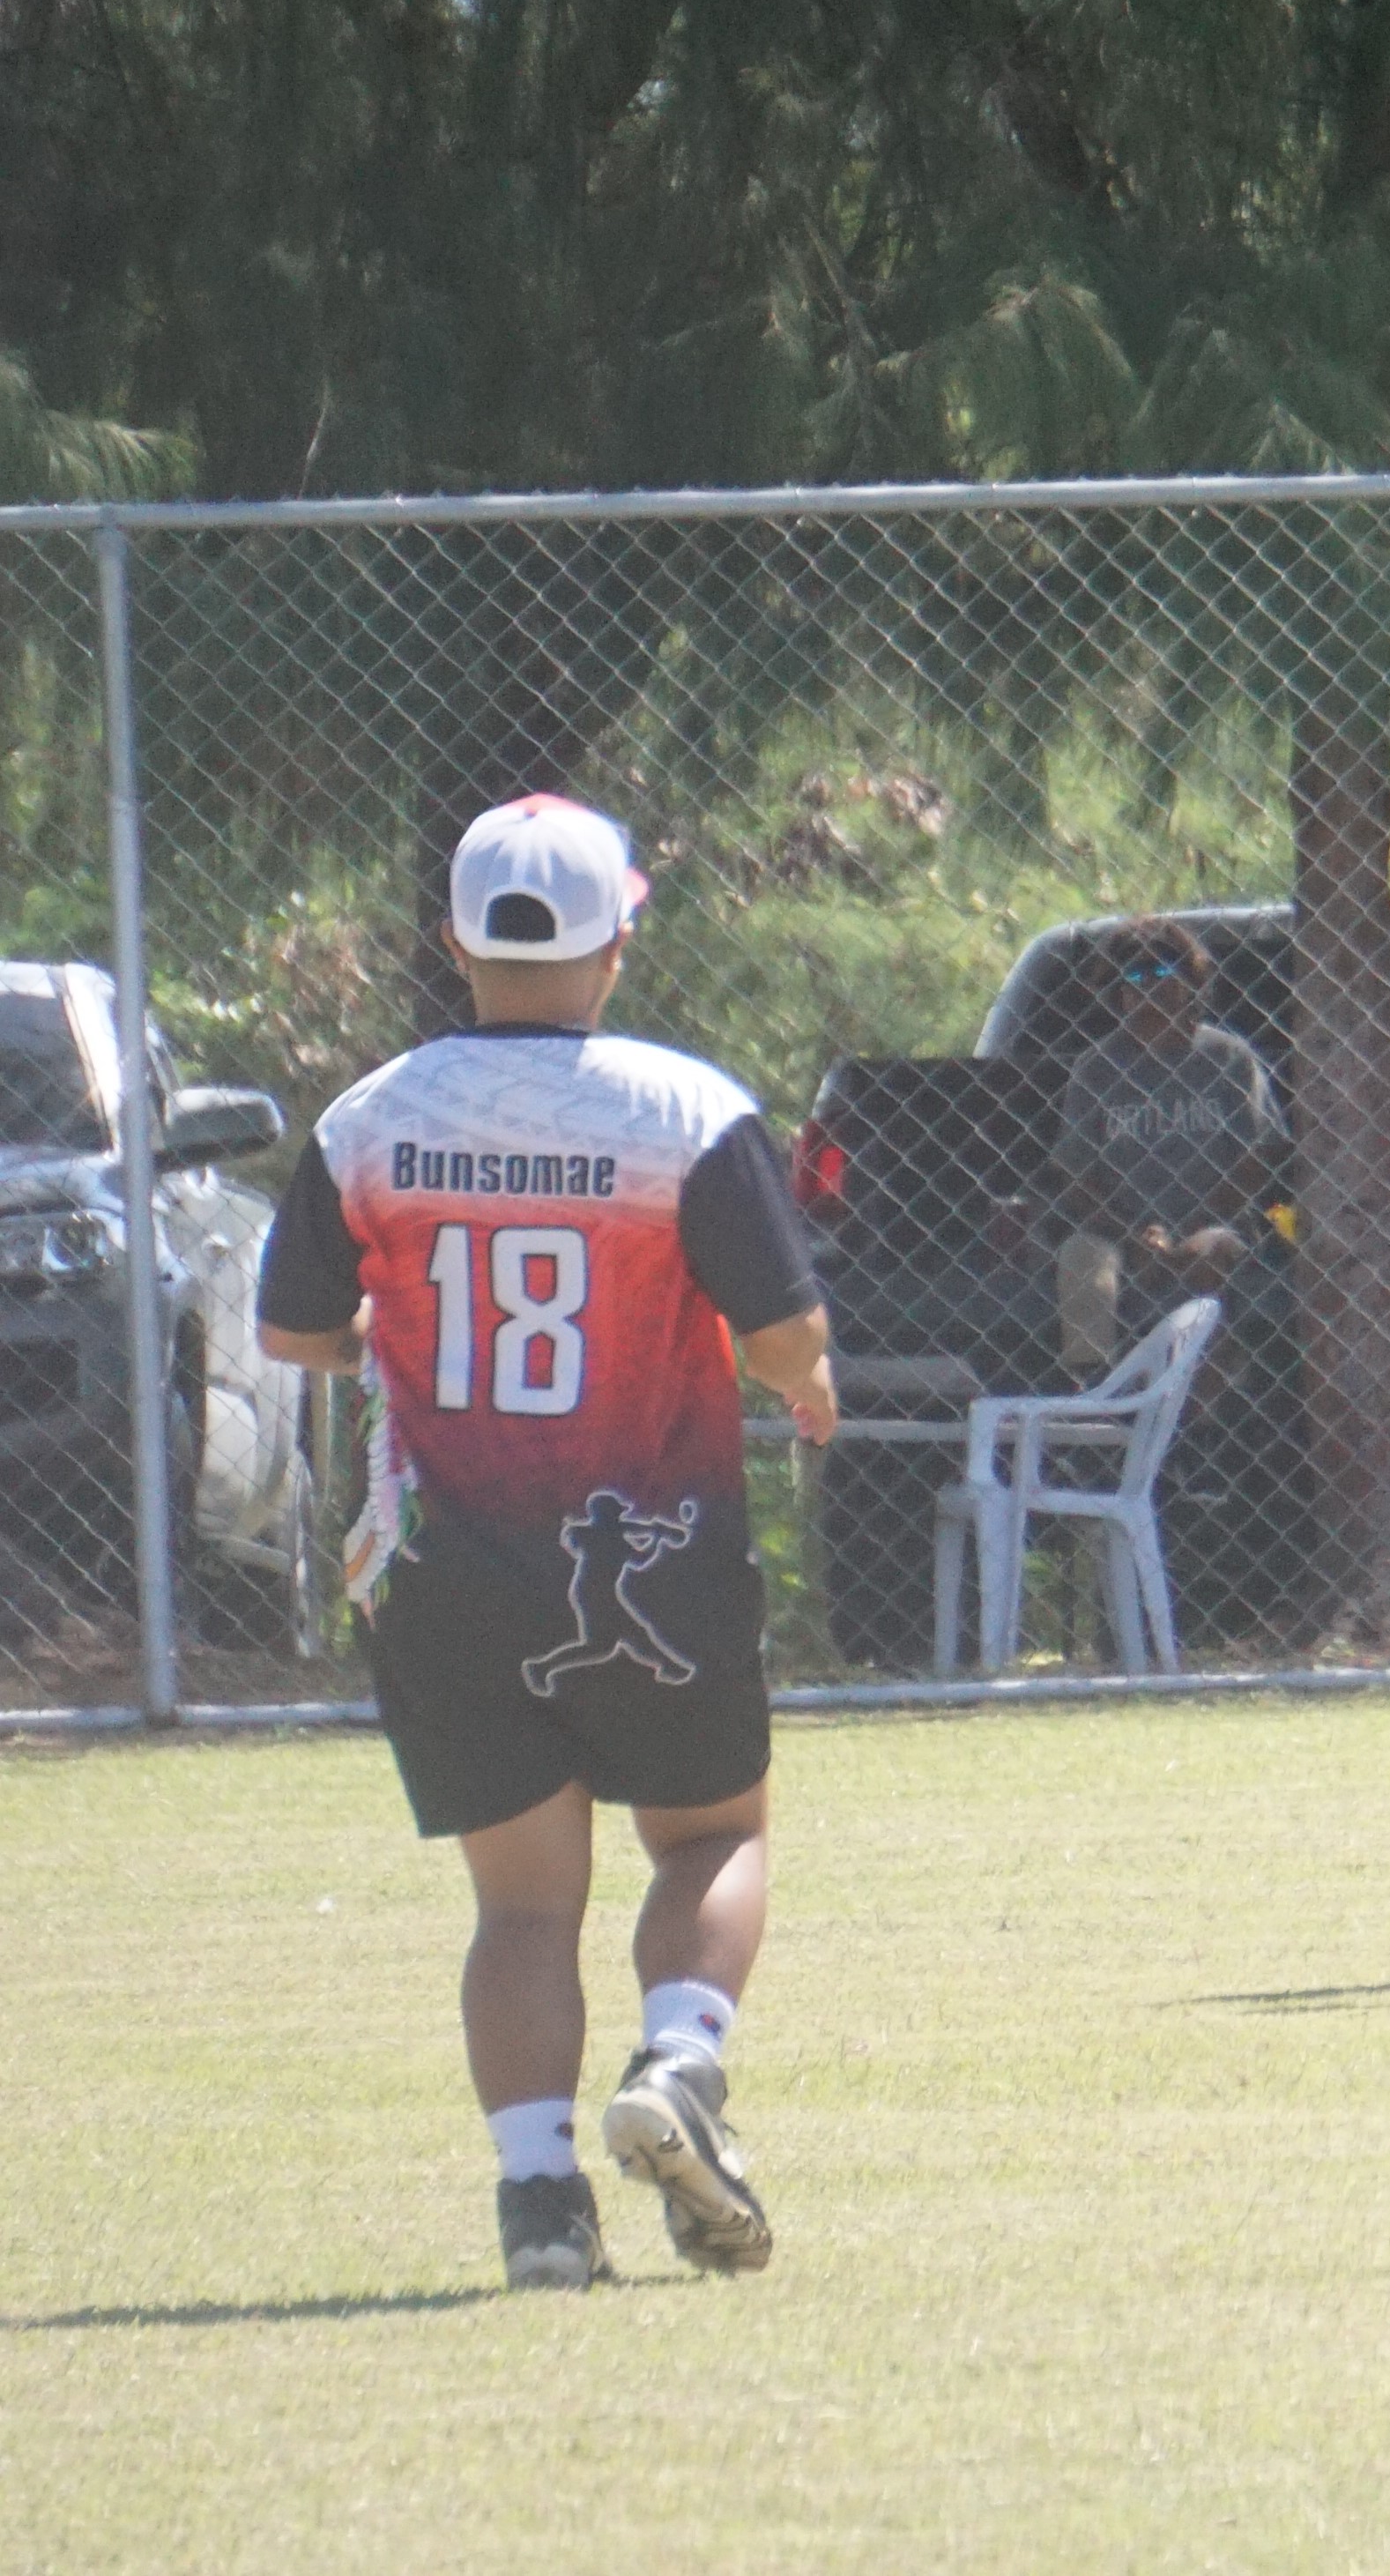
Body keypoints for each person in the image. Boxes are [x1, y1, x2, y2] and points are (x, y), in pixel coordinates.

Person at [256, 795, 836, 2294]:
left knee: (521, 1900)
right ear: (619, 937)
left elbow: (293, 1328)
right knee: (711, 1832)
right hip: (647, 1548)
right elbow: (780, 1333)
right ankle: (681, 2062)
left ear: (454, 938)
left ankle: (537, 2201)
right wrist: (803, 1376)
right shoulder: (682, 1108)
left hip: (440, 1565)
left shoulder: (368, 1113)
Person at [1049, 919, 1288, 1359]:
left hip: (1213, 1223)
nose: (1147, 993)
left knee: (1209, 1255)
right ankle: (1092, 1394)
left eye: (1161, 976)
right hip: (1122, 1231)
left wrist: (1184, 1232)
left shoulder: (1228, 1059)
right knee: (1082, 1259)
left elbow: (1259, 1158)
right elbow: (1075, 1175)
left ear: (1191, 986)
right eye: (1133, 980)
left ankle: (1207, 1407)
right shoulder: (1096, 1068)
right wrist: (1135, 1236)